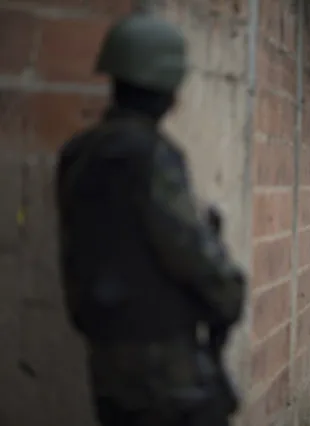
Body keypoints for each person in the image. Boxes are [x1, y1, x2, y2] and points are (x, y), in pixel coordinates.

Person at [55, 15, 246, 426]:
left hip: (105, 349)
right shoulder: (151, 155)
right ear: (170, 90)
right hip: (162, 358)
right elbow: (189, 250)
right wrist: (229, 295)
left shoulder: (78, 153)